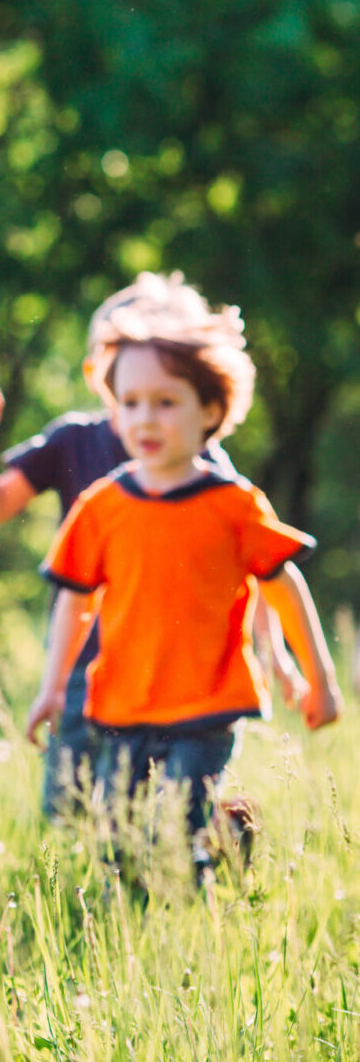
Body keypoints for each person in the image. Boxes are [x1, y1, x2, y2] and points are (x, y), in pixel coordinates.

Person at [0, 272, 304, 819]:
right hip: (84, 660)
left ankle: (213, 842)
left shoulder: (204, 465)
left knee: (172, 808)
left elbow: (253, 568)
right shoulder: (73, 438)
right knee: (69, 809)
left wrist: (274, 653)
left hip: (177, 671)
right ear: (100, 371)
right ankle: (109, 888)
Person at [24, 295, 342, 878]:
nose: (145, 418)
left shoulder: (234, 505)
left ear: (212, 409)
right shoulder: (102, 507)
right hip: (123, 703)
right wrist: (50, 689)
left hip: (209, 701)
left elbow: (284, 585)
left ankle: (194, 895)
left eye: (166, 403)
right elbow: (73, 600)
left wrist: (317, 678)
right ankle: (224, 838)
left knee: (170, 830)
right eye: (132, 402)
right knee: (119, 849)